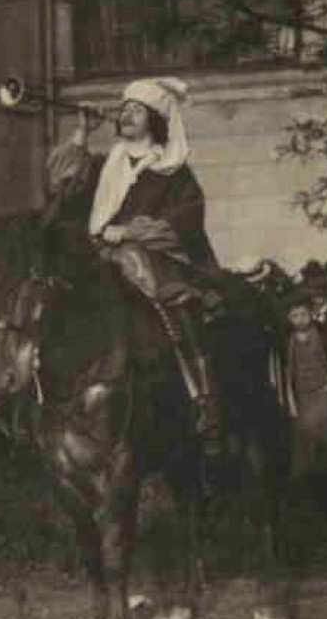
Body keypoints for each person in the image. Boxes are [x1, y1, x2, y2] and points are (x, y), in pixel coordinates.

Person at [44, 76, 223, 444]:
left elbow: (185, 221)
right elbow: (62, 187)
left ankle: (202, 398)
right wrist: (81, 132)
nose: (126, 115)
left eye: (136, 110)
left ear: (154, 120)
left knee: (178, 312)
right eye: (123, 109)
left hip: (156, 263)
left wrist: (127, 232)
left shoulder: (172, 172)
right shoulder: (105, 164)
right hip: (101, 259)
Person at [273, 267, 327, 517]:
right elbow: (287, 376)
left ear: (310, 314)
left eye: (303, 314)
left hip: (323, 396)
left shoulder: (322, 334)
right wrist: (290, 402)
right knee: (303, 448)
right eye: (294, 316)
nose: (299, 319)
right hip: (302, 399)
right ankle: (307, 494)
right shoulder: (289, 344)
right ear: (289, 319)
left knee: (325, 445)